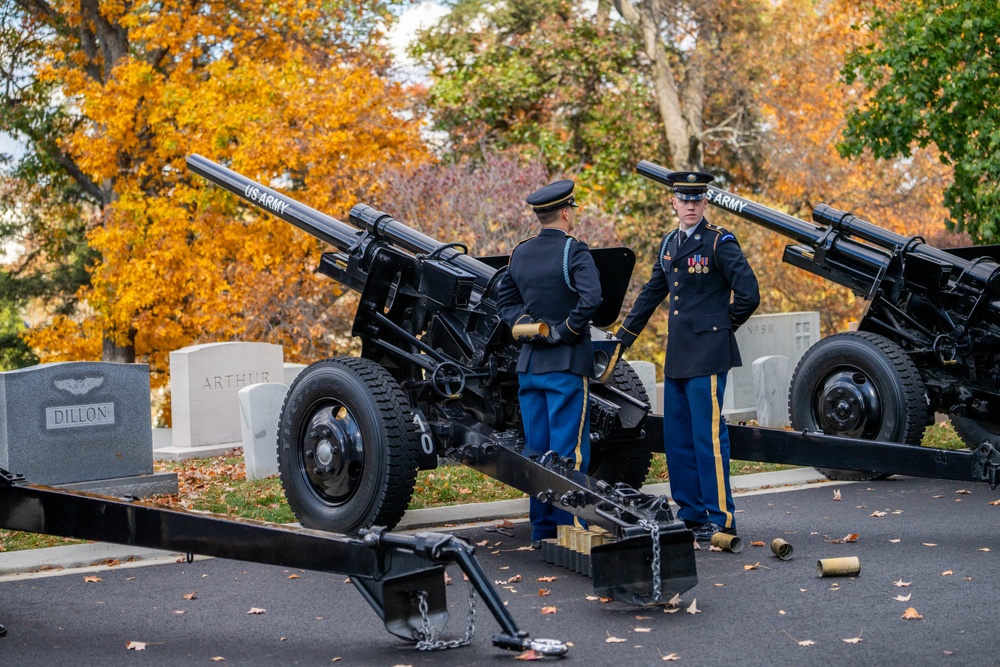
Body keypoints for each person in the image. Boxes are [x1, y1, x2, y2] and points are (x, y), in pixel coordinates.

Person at [616, 171, 760, 542]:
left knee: (708, 437)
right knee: (678, 438)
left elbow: (749, 294)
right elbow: (652, 293)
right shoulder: (669, 242)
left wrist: (720, 327)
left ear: (705, 203)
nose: (691, 205)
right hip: (679, 356)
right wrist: (622, 339)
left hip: (709, 355)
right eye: (684, 199)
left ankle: (720, 516)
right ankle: (692, 513)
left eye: (697, 199)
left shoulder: (719, 242)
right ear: (674, 203)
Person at [497, 179, 603, 548]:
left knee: (537, 453)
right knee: (568, 453)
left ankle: (542, 531)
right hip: (566, 364)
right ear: (565, 212)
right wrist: (564, 331)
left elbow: (505, 302)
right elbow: (592, 299)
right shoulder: (574, 250)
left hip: (529, 366)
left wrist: (529, 328)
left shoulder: (520, 252)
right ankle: (571, 531)